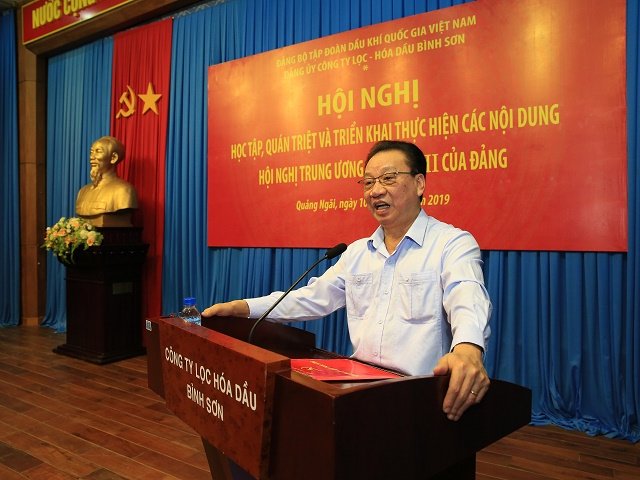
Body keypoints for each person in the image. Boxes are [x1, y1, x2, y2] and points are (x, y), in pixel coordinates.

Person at [202, 140, 491, 421]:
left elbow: (466, 295)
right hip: (358, 396)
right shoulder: (356, 253)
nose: (376, 190)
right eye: (368, 182)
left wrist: (468, 347)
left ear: (419, 184)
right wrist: (244, 308)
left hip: (420, 401)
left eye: (388, 178)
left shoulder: (451, 244)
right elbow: (311, 298)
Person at [76, 136, 137, 226]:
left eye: (98, 151)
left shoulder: (124, 191)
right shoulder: (83, 192)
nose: (91, 157)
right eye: (91, 152)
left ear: (113, 158)